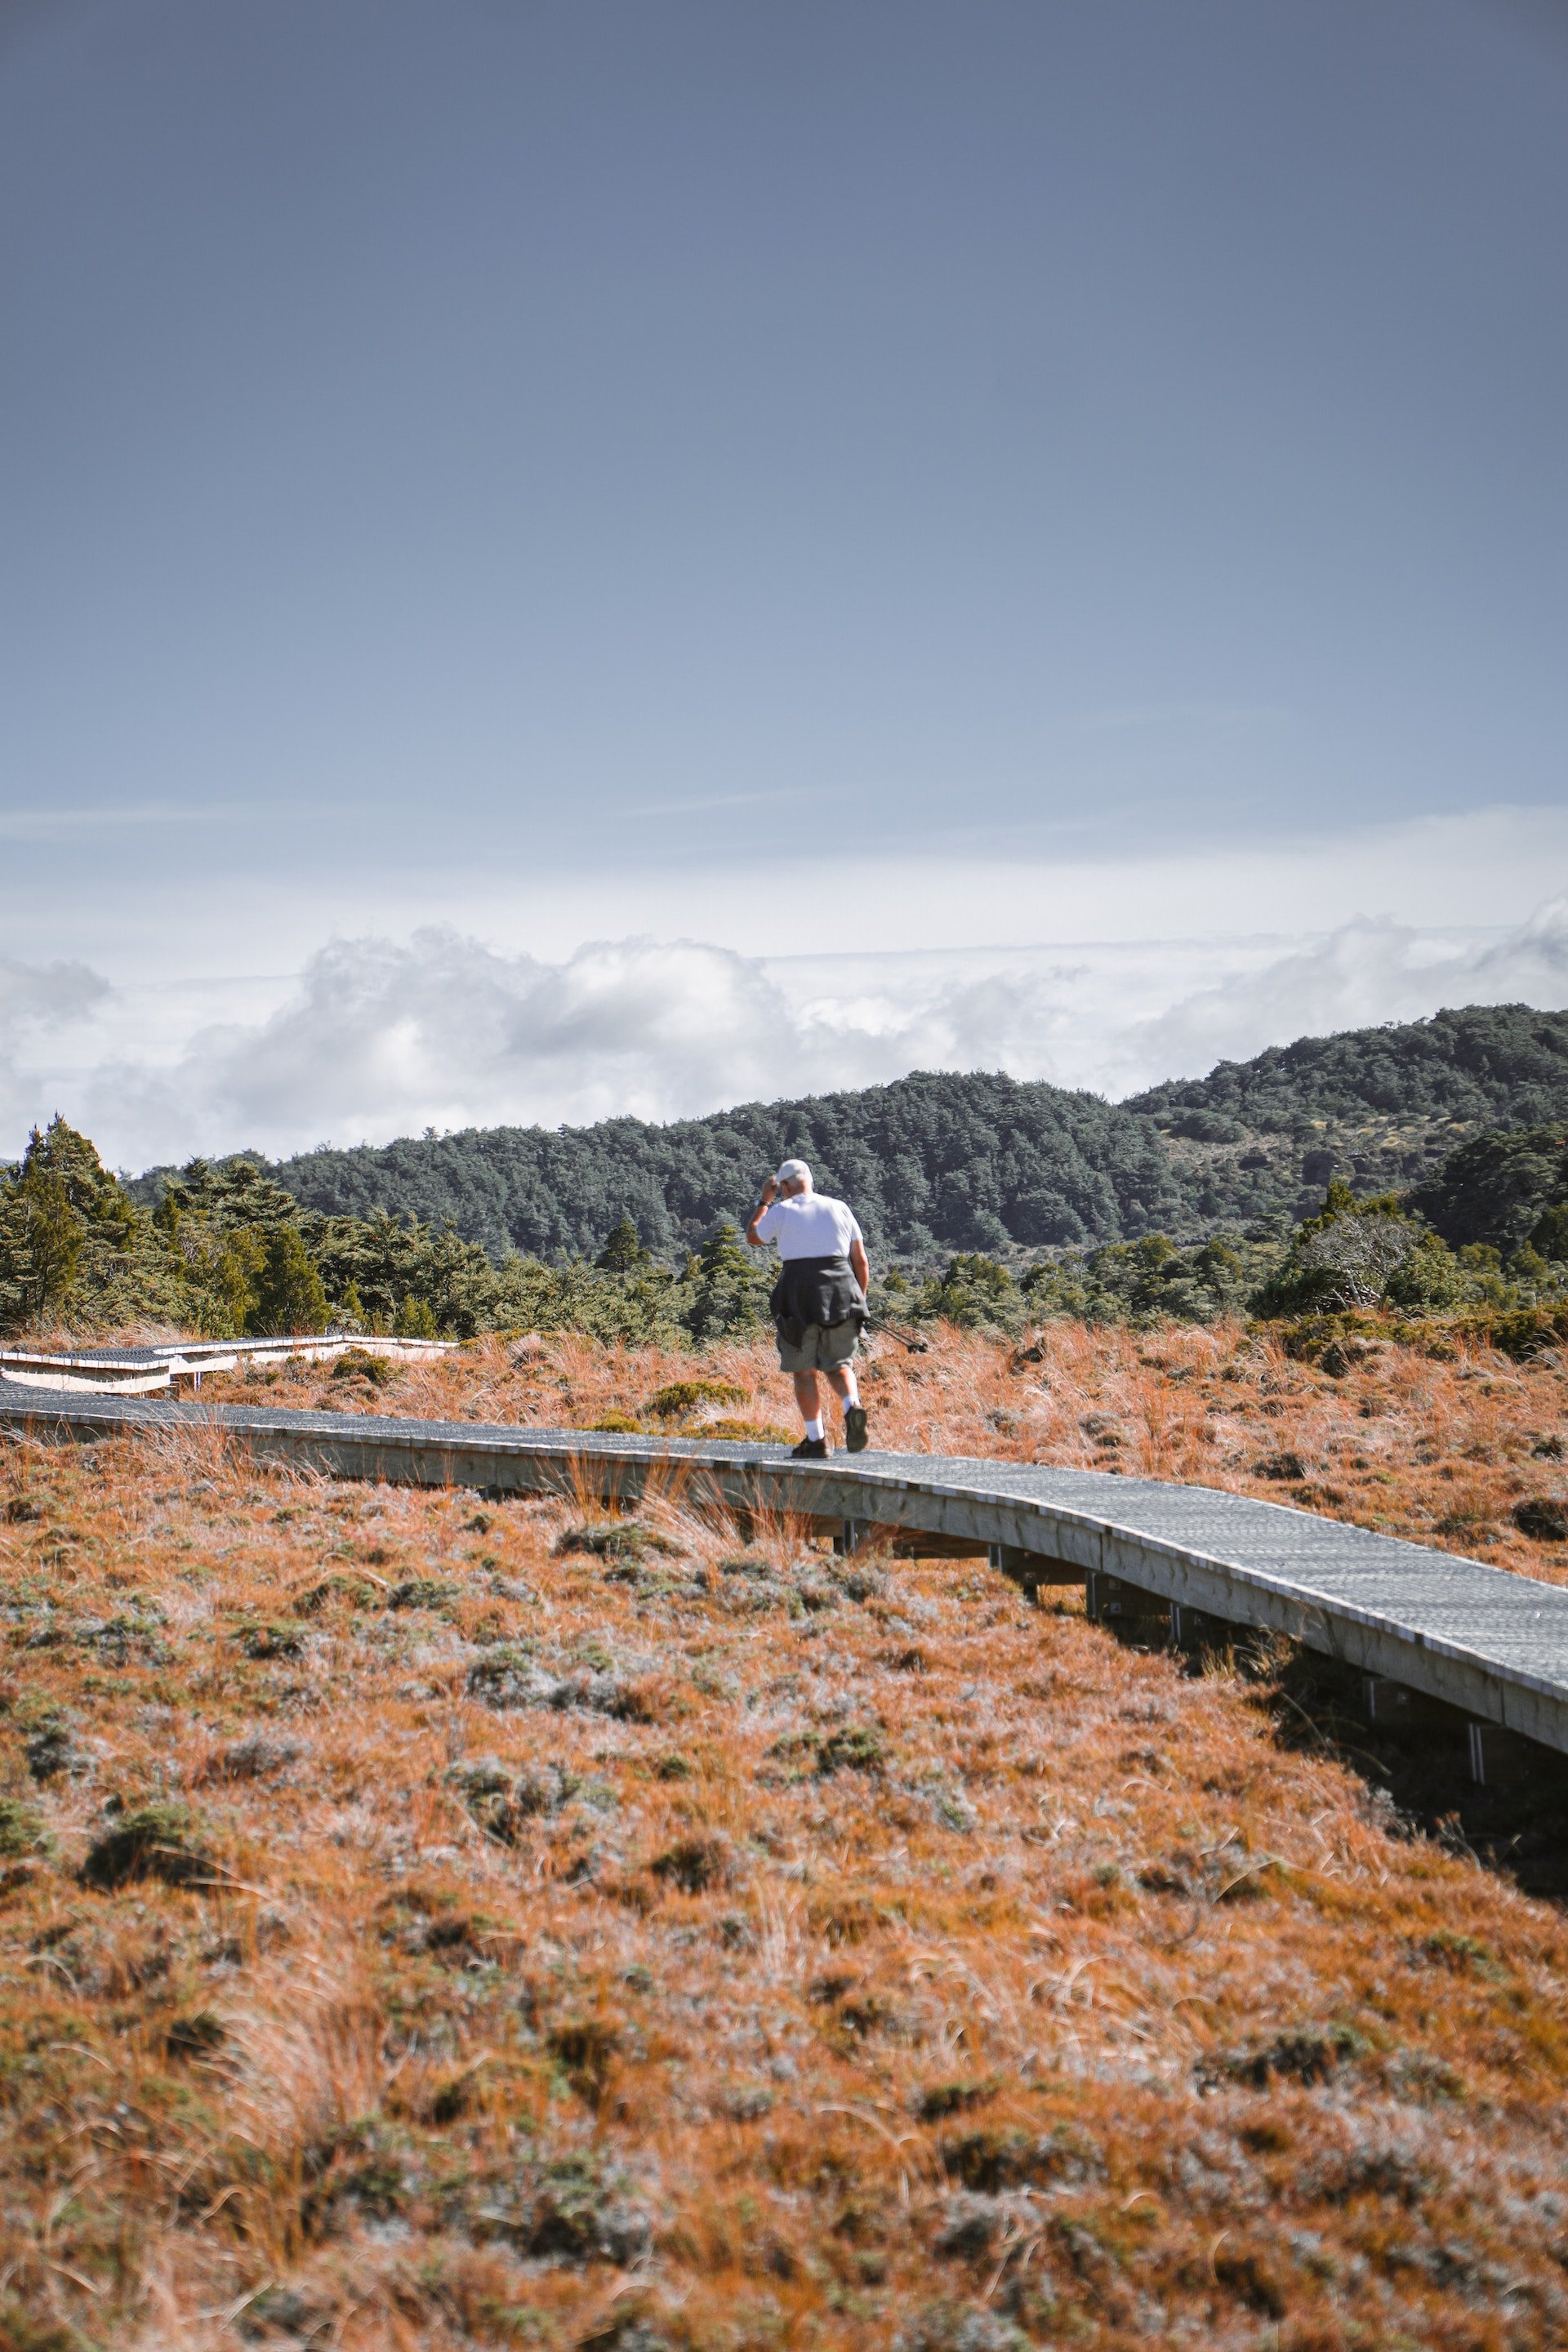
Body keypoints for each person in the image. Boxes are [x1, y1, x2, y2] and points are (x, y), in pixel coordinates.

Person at [746, 1158, 871, 1458]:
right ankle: (852, 1406)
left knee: (804, 1372)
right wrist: (859, 1302)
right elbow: (860, 1260)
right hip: (843, 1293)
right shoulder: (839, 1207)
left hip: (798, 1298)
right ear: (810, 1181)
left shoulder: (782, 1209)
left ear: (785, 1186)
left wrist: (765, 1200)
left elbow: (753, 1236)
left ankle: (817, 1441)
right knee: (839, 1365)